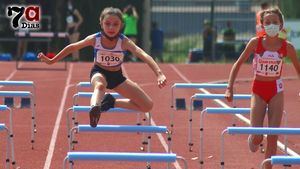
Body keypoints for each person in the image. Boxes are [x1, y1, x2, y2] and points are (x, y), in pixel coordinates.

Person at [38, 7, 167, 128]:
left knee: (147, 106)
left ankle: (111, 102)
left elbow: (144, 55)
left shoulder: (124, 42)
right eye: (107, 23)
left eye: (115, 24)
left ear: (121, 25)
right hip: (99, 72)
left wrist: (159, 73)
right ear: (101, 23)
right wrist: (52, 60)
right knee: (100, 85)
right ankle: (95, 108)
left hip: (117, 77)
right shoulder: (95, 39)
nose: (111, 27)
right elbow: (72, 47)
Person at [225, 8, 300, 169]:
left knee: (273, 137)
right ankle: (253, 138)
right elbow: (237, 64)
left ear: (281, 26)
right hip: (258, 90)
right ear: (262, 25)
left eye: (275, 22)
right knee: (258, 136)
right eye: (268, 22)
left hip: (276, 91)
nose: (271, 25)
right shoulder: (255, 43)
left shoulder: (287, 47)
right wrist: (229, 87)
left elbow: (298, 69)